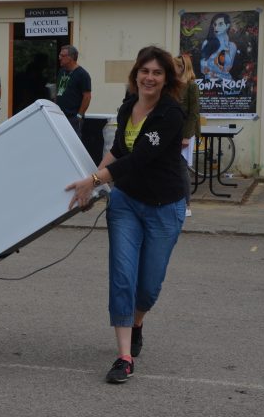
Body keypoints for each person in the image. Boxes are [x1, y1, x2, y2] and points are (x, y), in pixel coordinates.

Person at [65, 46, 186, 384]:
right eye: (145, 71)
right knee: (122, 277)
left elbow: (139, 158)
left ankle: (137, 322)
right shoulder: (126, 107)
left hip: (164, 208)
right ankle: (123, 357)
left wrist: (94, 181)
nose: (150, 78)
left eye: (157, 72)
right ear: (136, 75)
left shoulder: (171, 114)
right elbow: (119, 150)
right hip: (126, 204)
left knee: (147, 287)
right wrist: (92, 184)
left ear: (166, 79)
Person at [174, 53, 201, 217]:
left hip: (185, 132)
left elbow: (194, 113)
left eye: (176, 66)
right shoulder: (173, 85)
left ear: (183, 67)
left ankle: (186, 204)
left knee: (181, 166)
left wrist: (186, 136)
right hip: (172, 131)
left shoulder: (191, 86)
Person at [56, 45, 91, 137]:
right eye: (59, 55)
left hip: (72, 118)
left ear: (71, 57)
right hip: (59, 116)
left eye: (62, 55)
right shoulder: (61, 72)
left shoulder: (82, 74)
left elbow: (87, 97)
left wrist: (79, 116)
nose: (59, 58)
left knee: (72, 142)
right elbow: (59, 92)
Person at [200, 13, 237, 81]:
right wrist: (209, 71)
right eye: (215, 24)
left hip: (227, 81)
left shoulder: (232, 46)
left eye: (220, 24)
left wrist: (226, 46)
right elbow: (203, 68)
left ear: (227, 26)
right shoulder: (207, 43)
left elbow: (227, 68)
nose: (216, 27)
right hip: (210, 82)